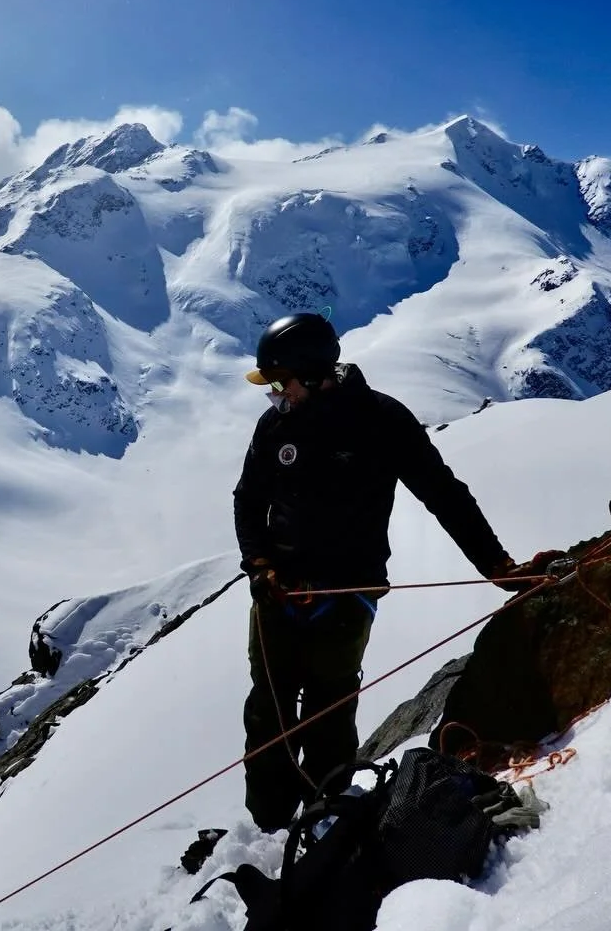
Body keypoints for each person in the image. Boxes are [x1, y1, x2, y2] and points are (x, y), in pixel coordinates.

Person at [233, 312, 524, 832]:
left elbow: (444, 494)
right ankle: (271, 826)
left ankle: (325, 819)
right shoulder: (275, 424)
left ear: (314, 372)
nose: (273, 394)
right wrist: (258, 564)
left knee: (330, 708)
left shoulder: (380, 421)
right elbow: (248, 500)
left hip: (346, 598)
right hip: (276, 595)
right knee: (267, 712)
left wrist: (495, 565)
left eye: (280, 382)